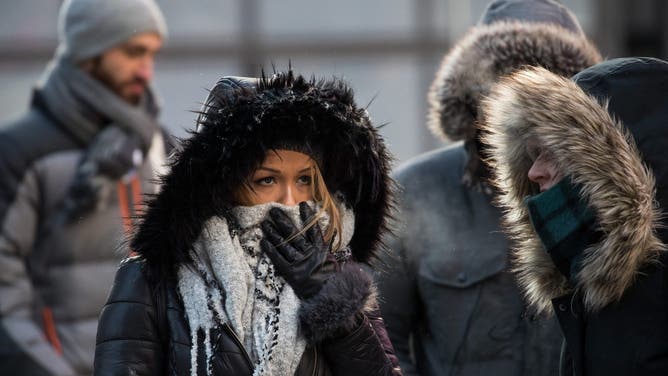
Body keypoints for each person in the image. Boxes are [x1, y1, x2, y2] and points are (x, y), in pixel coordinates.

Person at [93, 71, 403, 376]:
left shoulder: (339, 276)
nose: (289, 199)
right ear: (224, 184)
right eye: (267, 179)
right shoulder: (153, 280)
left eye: (305, 179)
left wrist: (332, 304)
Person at [375, 0, 602, 375]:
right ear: (473, 94)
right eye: (509, 87)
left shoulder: (609, 198)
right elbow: (382, 340)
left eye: (545, 92)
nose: (525, 110)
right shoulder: (415, 192)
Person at [0, 0, 168, 374]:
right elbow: (4, 298)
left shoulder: (160, 146)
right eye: (133, 52)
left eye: (152, 54)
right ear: (90, 52)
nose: (147, 70)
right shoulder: (19, 153)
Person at [480, 57, 668, 375]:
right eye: (533, 153)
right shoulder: (587, 278)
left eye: (552, 152)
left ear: (615, 168)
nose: (534, 171)